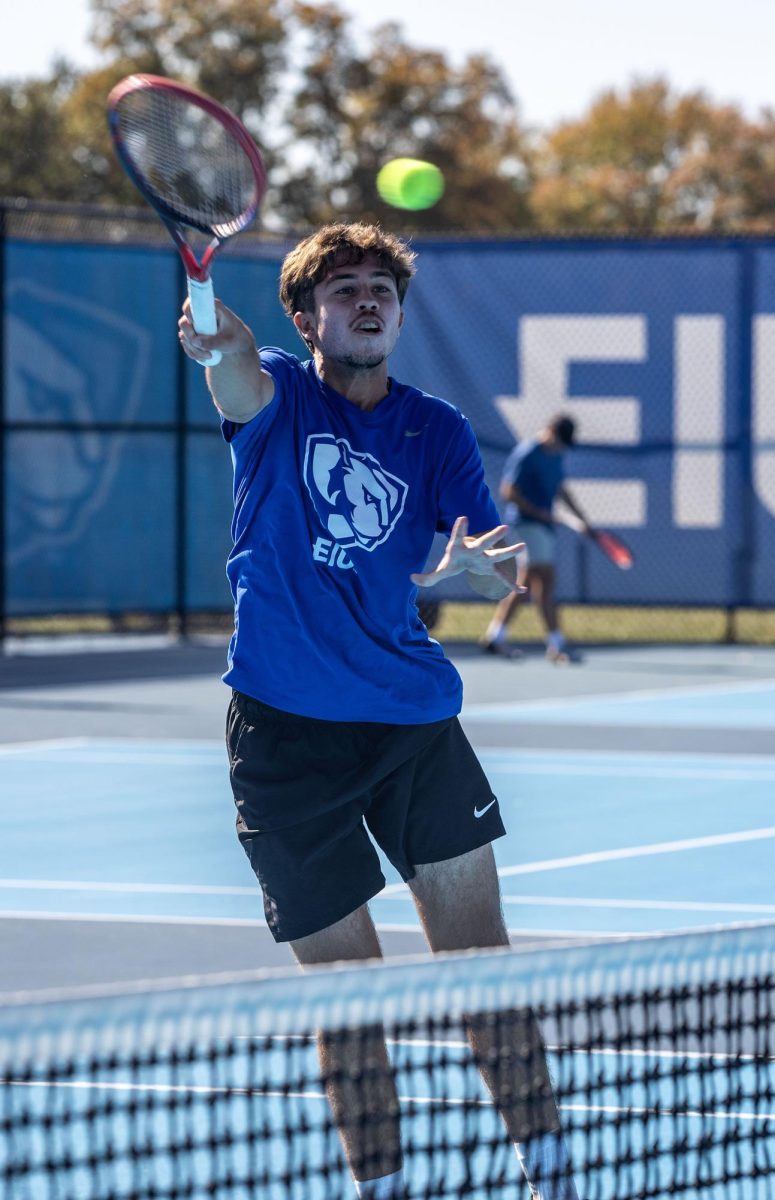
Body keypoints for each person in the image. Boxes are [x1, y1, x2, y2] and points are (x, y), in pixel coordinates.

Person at [177, 222, 579, 1200]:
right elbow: (235, 373)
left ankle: (555, 1175)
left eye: (381, 291)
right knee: (352, 1002)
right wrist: (217, 344)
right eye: (345, 288)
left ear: (397, 314)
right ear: (307, 317)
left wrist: (480, 568)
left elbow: (489, 548)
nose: (367, 301)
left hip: (412, 725)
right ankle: (383, 1189)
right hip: (284, 738)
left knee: (483, 972)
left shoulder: (433, 427)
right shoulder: (277, 393)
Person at [481, 415, 591, 664]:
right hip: (527, 526)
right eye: (559, 440)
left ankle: (496, 636)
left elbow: (561, 488)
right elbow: (509, 492)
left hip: (542, 528)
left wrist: (581, 517)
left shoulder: (557, 454)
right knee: (546, 581)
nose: (561, 447)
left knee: (526, 584)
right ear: (550, 430)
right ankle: (556, 644)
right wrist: (540, 513)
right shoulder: (527, 453)